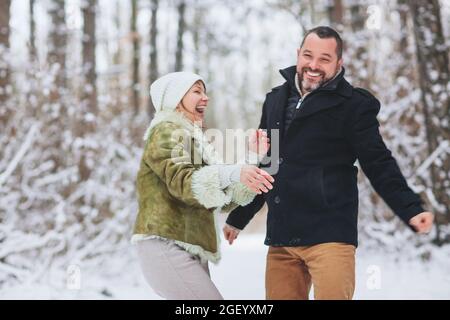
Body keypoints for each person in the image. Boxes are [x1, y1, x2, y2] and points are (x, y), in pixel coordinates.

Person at [223, 26, 434, 300]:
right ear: (298, 54)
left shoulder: (354, 105)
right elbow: (268, 164)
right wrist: (239, 217)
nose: (313, 65)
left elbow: (378, 162)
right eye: (308, 56)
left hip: (330, 236)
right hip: (283, 239)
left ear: (338, 63)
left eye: (324, 59)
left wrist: (409, 207)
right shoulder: (275, 100)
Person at [132, 72, 273, 300]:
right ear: (175, 98)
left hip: (189, 245)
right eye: (197, 91)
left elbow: (222, 197)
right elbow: (185, 183)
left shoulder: (194, 139)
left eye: (205, 91)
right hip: (165, 243)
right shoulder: (165, 132)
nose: (205, 98)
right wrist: (234, 172)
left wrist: (251, 157)